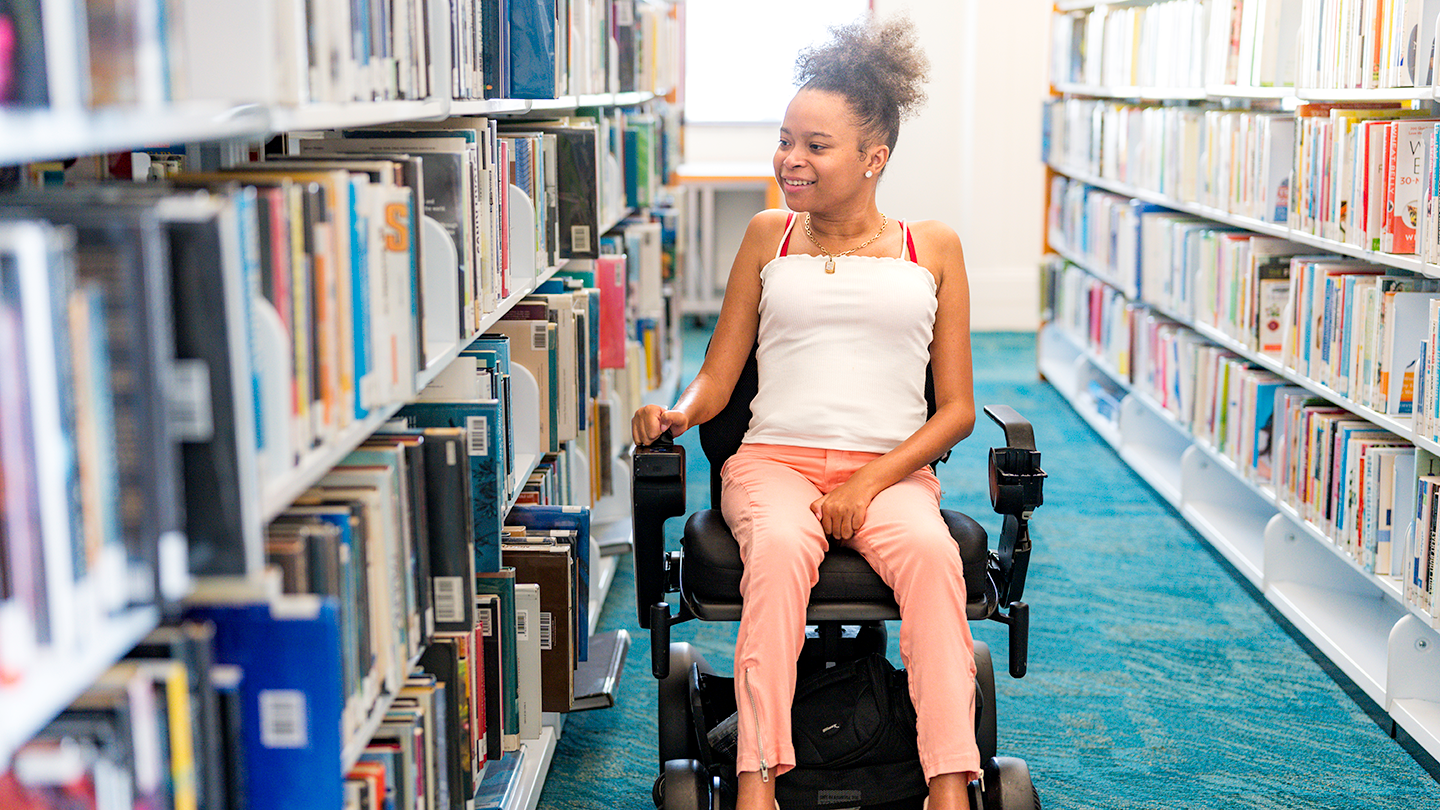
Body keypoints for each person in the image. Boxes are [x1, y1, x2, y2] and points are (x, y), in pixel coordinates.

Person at [631, 15, 978, 810]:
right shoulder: (768, 236)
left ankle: (949, 784)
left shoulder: (935, 248)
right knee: (783, 553)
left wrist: (870, 482)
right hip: (772, 464)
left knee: (932, 560)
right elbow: (720, 378)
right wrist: (678, 413)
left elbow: (955, 409)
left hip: (890, 472)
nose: (791, 158)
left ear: (873, 158)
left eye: (816, 146)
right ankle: (757, 778)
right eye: (786, 139)